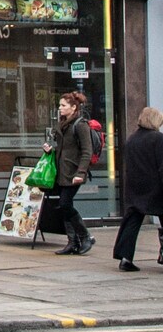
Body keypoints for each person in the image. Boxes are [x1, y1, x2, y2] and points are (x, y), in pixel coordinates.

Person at [113, 106, 163, 271]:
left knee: (132, 222)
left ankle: (125, 258)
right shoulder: (158, 139)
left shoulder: (132, 139)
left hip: (135, 186)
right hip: (156, 187)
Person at [51, 89, 96, 256]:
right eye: (60, 105)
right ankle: (72, 242)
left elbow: (87, 151)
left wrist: (81, 172)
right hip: (63, 171)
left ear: (73, 107)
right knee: (64, 206)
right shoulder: (63, 124)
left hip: (74, 172)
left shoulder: (80, 124)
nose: (60, 108)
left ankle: (85, 236)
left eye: (63, 105)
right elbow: (62, 148)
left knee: (65, 204)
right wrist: (51, 149)